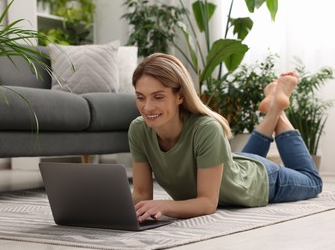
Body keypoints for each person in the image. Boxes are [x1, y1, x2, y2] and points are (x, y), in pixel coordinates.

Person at [128, 53, 322, 223]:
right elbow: (142, 195)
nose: (147, 107)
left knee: (313, 182)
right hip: (233, 170)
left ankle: (277, 109)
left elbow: (207, 203)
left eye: (158, 97)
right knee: (235, 170)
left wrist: (165, 206)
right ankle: (273, 106)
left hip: (259, 180)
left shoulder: (206, 129)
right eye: (141, 97)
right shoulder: (139, 129)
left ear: (180, 96)